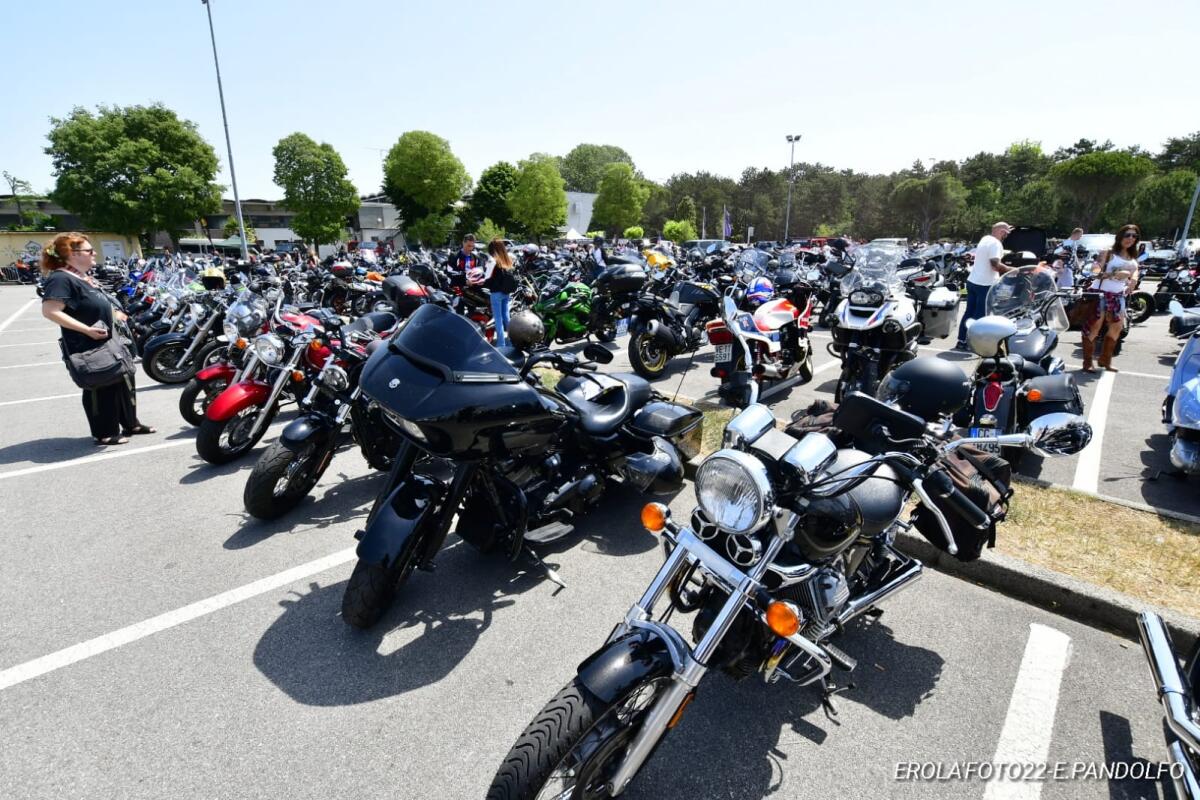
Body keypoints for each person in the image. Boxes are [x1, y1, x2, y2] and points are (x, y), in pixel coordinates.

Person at [39, 232, 152, 445]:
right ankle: (104, 432)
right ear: (71, 254)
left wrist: (114, 314)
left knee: (124, 380)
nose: (95, 253)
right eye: (89, 250)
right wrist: (86, 330)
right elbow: (50, 310)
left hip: (110, 340)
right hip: (88, 345)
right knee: (100, 388)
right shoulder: (61, 278)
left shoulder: (80, 275)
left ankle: (131, 423)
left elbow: (93, 302)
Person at [1082, 224, 1141, 373]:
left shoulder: (1132, 257)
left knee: (1117, 327)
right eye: (1127, 235)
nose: (1130, 238)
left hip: (1118, 296)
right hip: (1100, 293)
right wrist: (1113, 274)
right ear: (1120, 236)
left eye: (1134, 236)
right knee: (1094, 327)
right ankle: (1088, 362)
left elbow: (1135, 270)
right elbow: (1094, 271)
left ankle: (1105, 360)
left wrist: (1133, 280)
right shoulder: (1108, 253)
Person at [956, 222, 1013, 350]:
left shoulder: (985, 239)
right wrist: (1014, 270)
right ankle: (972, 343)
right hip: (985, 284)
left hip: (973, 281)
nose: (1006, 236)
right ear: (1001, 232)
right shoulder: (996, 244)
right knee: (980, 315)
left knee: (969, 312)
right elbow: (995, 265)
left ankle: (961, 340)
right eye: (1006, 233)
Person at [479, 238, 518, 348]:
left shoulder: (492, 260)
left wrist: (479, 281)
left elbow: (486, 277)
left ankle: (501, 344)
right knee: (506, 318)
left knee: (498, 319)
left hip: (496, 293)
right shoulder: (506, 259)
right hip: (506, 292)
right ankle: (511, 343)